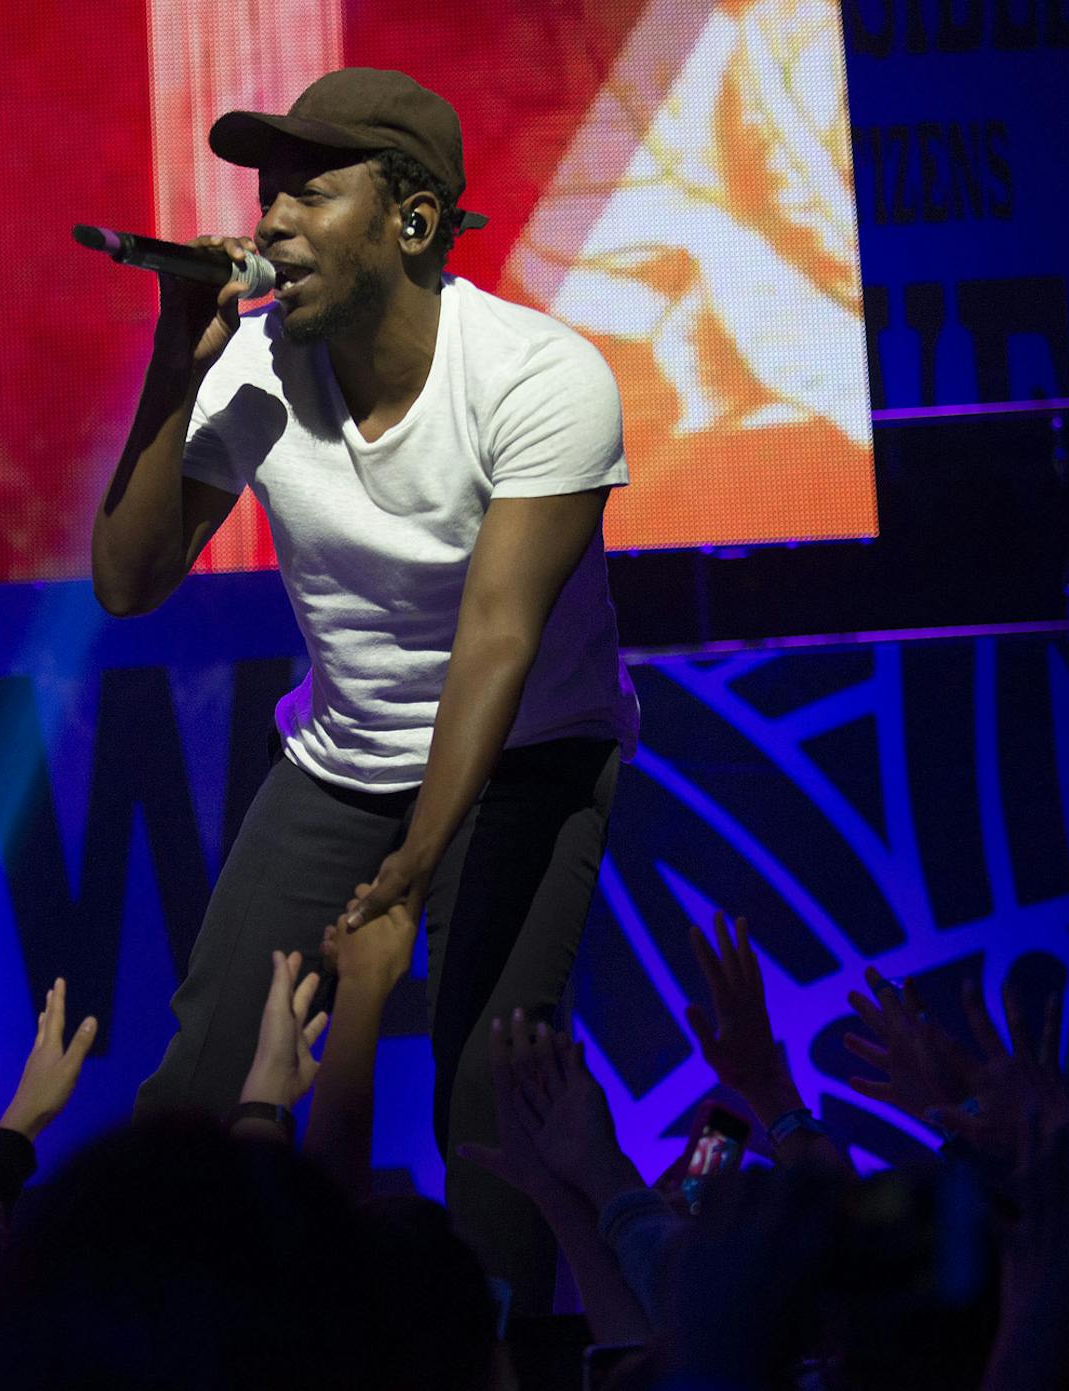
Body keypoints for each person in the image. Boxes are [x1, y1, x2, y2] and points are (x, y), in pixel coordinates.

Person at [98, 66, 638, 1303]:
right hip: (340, 763)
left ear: (413, 220)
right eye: (265, 191)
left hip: (528, 758)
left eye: (309, 189)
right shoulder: (258, 367)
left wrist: (412, 869)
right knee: (203, 1081)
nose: (271, 216)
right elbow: (129, 583)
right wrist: (175, 364)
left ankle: (511, 1354)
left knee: (494, 1108)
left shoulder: (542, 379)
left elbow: (495, 638)